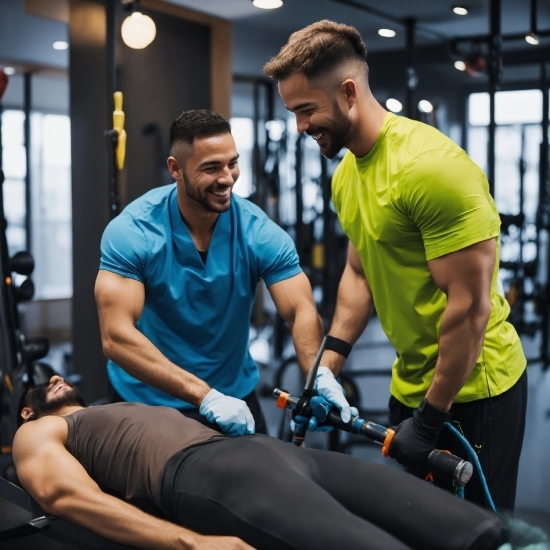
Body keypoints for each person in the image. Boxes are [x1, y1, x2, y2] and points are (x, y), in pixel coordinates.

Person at [264, 20, 527, 513]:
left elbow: (469, 310)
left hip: (472, 391)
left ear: (347, 92)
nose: (299, 127)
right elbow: (360, 272)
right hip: (410, 384)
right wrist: (329, 366)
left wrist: (431, 419)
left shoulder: (430, 168)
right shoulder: (347, 174)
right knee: (426, 525)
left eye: (306, 110)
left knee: (476, 533)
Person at [12, 375, 508, 550]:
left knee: (471, 529)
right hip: (211, 475)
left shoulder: (104, 410)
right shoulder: (35, 431)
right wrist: (191, 542)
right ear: (27, 409)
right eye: (43, 385)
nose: (56, 376)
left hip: (273, 454)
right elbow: (65, 495)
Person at [95, 109, 354, 437]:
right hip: (148, 400)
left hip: (234, 397)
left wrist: (316, 376)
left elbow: (300, 309)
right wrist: (205, 396)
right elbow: (116, 335)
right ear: (175, 169)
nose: (227, 177)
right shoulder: (134, 231)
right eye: (210, 168)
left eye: (232, 163)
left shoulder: (256, 230)